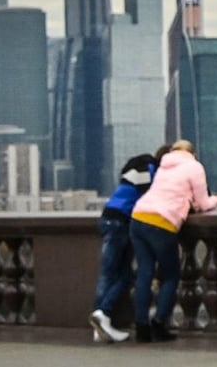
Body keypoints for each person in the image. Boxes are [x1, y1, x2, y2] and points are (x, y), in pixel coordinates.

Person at [129, 139, 217, 343]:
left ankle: (141, 326)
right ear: (192, 152)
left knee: (145, 274)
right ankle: (159, 324)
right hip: (161, 223)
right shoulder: (194, 167)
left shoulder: (164, 166)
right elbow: (203, 203)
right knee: (170, 276)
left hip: (138, 217)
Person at [89, 145, 170, 343]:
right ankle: (102, 313)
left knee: (111, 273)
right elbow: (149, 197)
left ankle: (100, 325)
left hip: (109, 217)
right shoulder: (150, 169)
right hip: (122, 221)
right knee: (120, 274)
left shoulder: (138, 164)